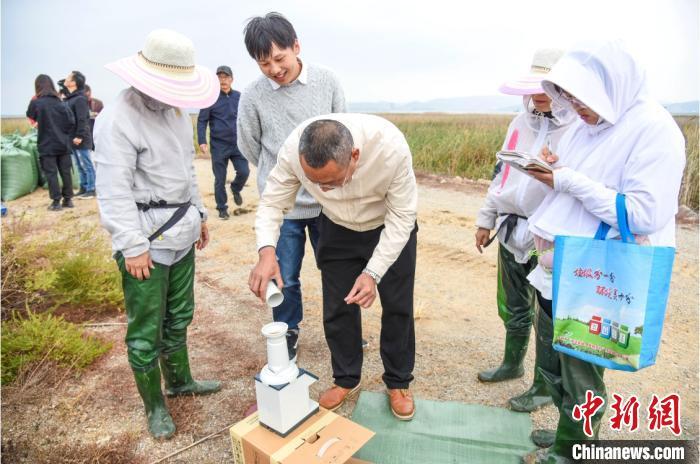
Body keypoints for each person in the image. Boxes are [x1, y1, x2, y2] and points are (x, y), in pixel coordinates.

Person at [520, 40, 685, 463]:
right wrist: (551, 165)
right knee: (555, 363)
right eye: (569, 97)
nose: (574, 106)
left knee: (581, 369)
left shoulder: (655, 129)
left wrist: (567, 180)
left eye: (582, 97)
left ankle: (572, 449)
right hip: (560, 266)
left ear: (612, 87)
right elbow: (572, 177)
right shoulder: (583, 125)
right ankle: (568, 431)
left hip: (599, 275)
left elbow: (643, 214)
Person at [94, 29, 221, 440]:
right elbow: (112, 190)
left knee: (179, 316)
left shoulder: (176, 115)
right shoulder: (118, 119)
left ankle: (181, 381)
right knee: (146, 331)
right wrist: (131, 246)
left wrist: (200, 213)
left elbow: (186, 170)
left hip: (181, 231)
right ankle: (155, 407)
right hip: (145, 241)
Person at [249, 114, 418, 420]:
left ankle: (398, 380)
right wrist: (266, 251)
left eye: (332, 180)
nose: (324, 190)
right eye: (315, 183)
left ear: (354, 155)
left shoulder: (390, 147)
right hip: (337, 227)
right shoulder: (292, 151)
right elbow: (273, 203)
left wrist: (373, 273)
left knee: (398, 306)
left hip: (387, 226)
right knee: (338, 306)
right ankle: (346, 378)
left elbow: (403, 217)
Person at [237, 12, 346, 362]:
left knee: (337, 272)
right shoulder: (252, 96)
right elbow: (249, 145)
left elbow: (343, 134)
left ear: (296, 47)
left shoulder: (327, 81)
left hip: (328, 202)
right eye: (263, 63)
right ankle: (287, 333)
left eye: (279, 58)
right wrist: (278, 173)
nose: (273, 69)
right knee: (284, 277)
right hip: (283, 207)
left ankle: (344, 332)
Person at [474, 49, 574, 415]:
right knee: (513, 305)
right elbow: (502, 176)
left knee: (546, 315)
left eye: (548, 86)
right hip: (510, 228)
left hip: (547, 237)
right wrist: (486, 219)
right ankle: (512, 363)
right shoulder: (519, 124)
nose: (540, 94)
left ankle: (544, 385)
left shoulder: (577, 129)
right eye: (535, 87)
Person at [197, 65, 249, 219]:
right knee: (220, 179)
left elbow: (247, 118)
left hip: (237, 144)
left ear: (231, 79)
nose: (222, 80)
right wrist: (202, 141)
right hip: (219, 146)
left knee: (244, 171)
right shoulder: (210, 99)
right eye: (219, 77)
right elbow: (201, 121)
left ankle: (235, 187)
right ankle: (222, 208)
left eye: (225, 77)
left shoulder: (240, 97)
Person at [26, 74, 75, 211]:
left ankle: (56, 202)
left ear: (37, 86)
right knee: (65, 172)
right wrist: (63, 133)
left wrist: (40, 123)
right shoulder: (61, 102)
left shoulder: (36, 102)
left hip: (47, 144)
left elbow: (30, 115)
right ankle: (68, 200)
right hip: (63, 143)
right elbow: (71, 122)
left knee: (51, 173)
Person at [63, 70, 96, 198]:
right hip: (71, 136)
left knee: (86, 164)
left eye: (68, 77)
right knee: (78, 164)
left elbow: (83, 119)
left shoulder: (80, 99)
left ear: (74, 82)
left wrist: (80, 136)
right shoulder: (70, 98)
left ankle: (91, 189)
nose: (66, 79)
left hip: (80, 137)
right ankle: (83, 187)